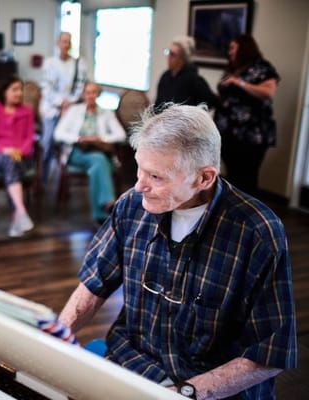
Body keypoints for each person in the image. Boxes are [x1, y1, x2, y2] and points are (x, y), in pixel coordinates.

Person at [59, 104, 297, 399]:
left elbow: (271, 353)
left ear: (204, 179)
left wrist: (184, 392)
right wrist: (55, 341)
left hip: (206, 387)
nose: (139, 185)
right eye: (139, 168)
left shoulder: (257, 232)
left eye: (156, 177)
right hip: (134, 362)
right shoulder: (131, 206)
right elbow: (95, 282)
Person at [214, 34, 280, 196]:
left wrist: (240, 83)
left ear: (244, 48)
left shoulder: (262, 68)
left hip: (251, 135)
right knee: (233, 176)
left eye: (232, 48)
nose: (229, 52)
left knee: (247, 177)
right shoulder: (234, 68)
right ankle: (233, 210)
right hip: (228, 132)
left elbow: (268, 92)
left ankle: (248, 213)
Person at [54, 82, 126, 224]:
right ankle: (108, 203)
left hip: (98, 151)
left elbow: (121, 135)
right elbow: (58, 134)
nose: (90, 96)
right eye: (87, 92)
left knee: (96, 166)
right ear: (83, 94)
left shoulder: (106, 113)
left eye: (93, 92)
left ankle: (99, 214)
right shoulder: (74, 111)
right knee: (99, 161)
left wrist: (101, 139)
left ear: (97, 94)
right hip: (77, 151)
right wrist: (79, 138)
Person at [0, 76, 35, 237]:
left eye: (20, 89)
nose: (19, 93)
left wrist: (20, 150)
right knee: (9, 162)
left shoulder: (26, 111)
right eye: (14, 89)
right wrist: (5, 150)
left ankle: (18, 216)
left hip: (22, 156)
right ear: (4, 92)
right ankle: (20, 211)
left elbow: (29, 137)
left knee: (11, 165)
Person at [39, 32, 87, 184]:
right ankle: (43, 179)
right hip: (52, 108)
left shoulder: (78, 64)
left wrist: (69, 102)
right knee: (47, 143)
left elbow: (80, 85)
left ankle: (64, 182)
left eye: (68, 42)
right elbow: (46, 86)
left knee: (67, 145)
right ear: (57, 43)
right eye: (63, 41)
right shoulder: (50, 63)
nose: (65, 45)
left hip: (71, 108)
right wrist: (60, 102)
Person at [155, 36, 217, 111]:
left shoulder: (193, 79)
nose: (169, 57)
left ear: (182, 59)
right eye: (168, 52)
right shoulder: (165, 77)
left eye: (173, 54)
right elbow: (158, 104)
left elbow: (210, 102)